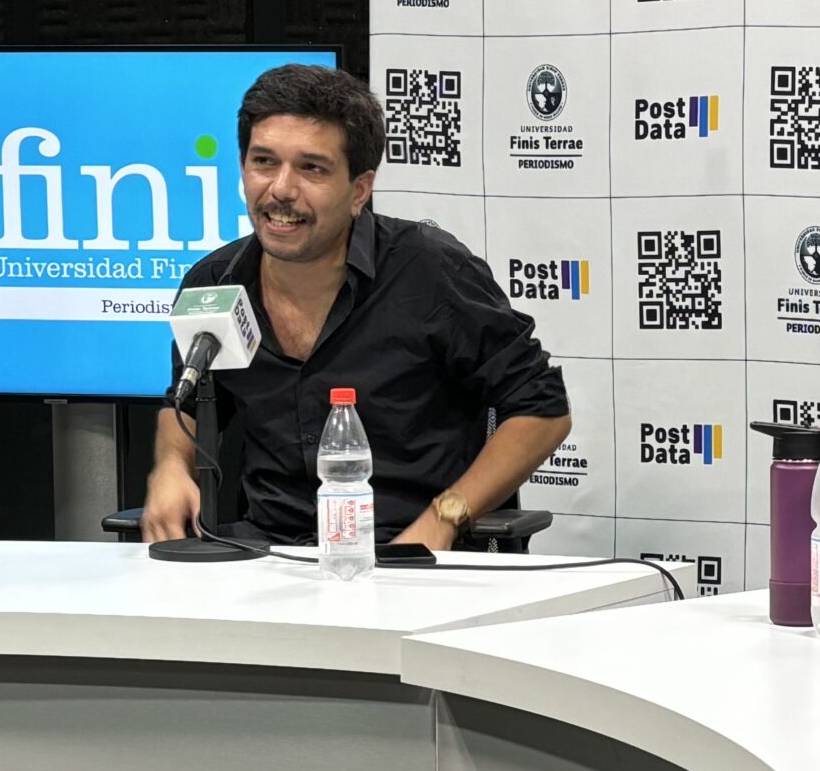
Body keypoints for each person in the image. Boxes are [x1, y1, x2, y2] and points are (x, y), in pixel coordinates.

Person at [142, 63, 571, 550]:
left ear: (359, 190)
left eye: (312, 168)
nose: (281, 188)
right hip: (269, 555)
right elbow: (186, 401)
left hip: (413, 556)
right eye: (264, 162)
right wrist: (171, 467)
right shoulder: (214, 282)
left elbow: (543, 411)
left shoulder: (430, 272)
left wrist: (444, 518)